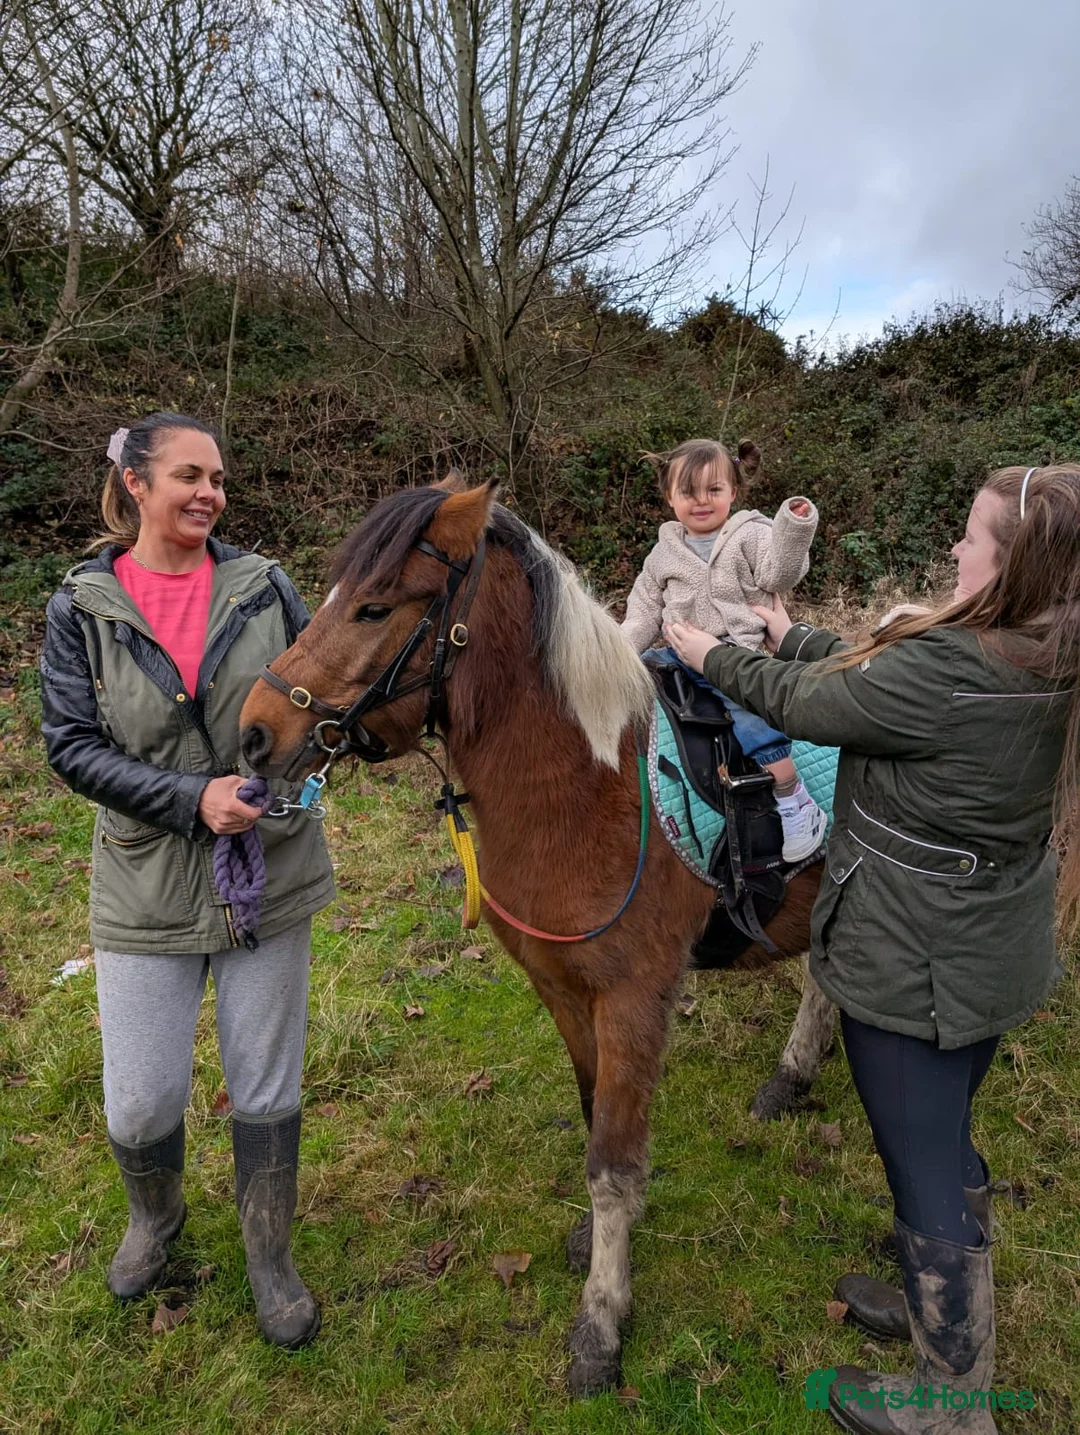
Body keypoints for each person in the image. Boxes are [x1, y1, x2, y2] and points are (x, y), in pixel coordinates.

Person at [666, 464, 1080, 1433]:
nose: (954, 552)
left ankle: (953, 1403)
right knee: (946, 1138)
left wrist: (707, 651)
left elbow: (814, 706)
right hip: (988, 952)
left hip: (915, 962)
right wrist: (794, 631)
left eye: (971, 539)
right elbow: (874, 677)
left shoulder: (956, 668)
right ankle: (946, 1317)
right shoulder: (1044, 651)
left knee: (920, 1163)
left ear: (1012, 565)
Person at [39, 412, 336, 1349]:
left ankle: (268, 1254)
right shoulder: (81, 606)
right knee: (139, 1096)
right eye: (189, 475)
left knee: (264, 1080)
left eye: (219, 478)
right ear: (137, 484)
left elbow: (317, 700)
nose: (210, 492)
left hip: (270, 875)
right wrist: (189, 798)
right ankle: (154, 1217)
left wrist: (296, 777)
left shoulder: (265, 586)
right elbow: (70, 746)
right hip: (144, 880)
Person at [621, 437, 827, 862]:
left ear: (734, 491)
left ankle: (793, 797)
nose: (701, 501)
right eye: (688, 492)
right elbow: (642, 613)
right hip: (677, 655)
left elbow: (780, 573)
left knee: (749, 718)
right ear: (669, 498)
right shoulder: (663, 554)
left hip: (734, 656)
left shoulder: (749, 534)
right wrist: (618, 653)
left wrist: (792, 528)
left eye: (713, 490)